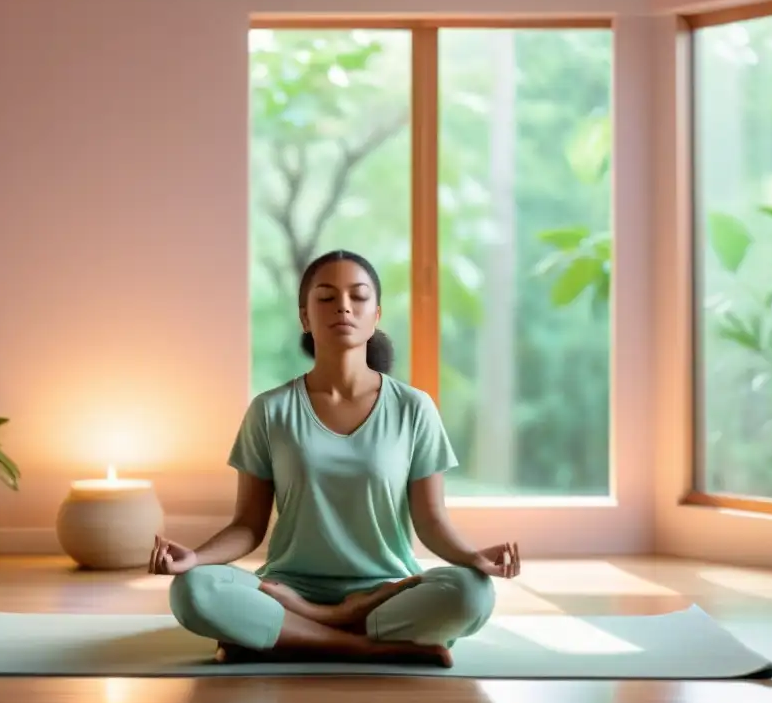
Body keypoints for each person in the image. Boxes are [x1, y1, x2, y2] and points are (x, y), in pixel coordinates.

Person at [149, 250, 521, 667]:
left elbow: (432, 521)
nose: (343, 306)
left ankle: (291, 634)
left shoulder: (414, 408)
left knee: (472, 594)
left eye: (357, 296)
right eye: (325, 298)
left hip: (387, 590)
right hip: (287, 590)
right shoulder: (270, 411)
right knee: (191, 591)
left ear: (375, 314)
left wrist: (473, 558)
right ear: (305, 317)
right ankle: (360, 643)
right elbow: (247, 525)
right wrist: (195, 559)